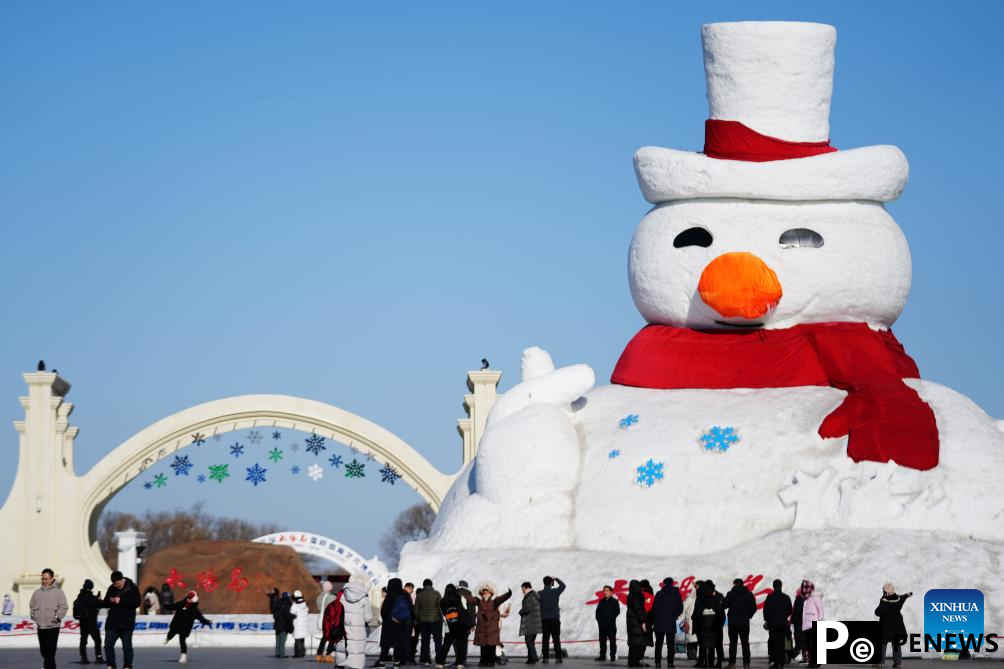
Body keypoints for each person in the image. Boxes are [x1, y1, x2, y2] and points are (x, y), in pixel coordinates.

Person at [30, 567, 68, 669]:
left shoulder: (58, 592)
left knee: (50, 650)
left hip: (53, 625)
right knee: (44, 650)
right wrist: (33, 615)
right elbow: (32, 605)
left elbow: (64, 606)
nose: (44, 581)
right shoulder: (37, 592)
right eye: (43, 579)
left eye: (46, 579)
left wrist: (58, 616)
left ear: (52, 579)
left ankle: (46, 667)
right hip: (40, 626)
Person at [102, 569, 140, 669]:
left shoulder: (132, 588)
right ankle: (111, 665)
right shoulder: (112, 588)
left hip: (126, 623)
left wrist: (121, 600)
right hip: (112, 623)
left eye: (117, 583)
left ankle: (127, 666)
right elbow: (105, 603)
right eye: (114, 583)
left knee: (127, 647)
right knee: (108, 645)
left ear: (122, 580)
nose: (116, 585)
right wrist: (109, 600)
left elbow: (136, 603)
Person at [334, 573, 373, 669]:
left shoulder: (342, 594)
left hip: (342, 629)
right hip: (357, 633)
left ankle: (340, 666)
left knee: (342, 652)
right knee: (356, 655)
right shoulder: (364, 598)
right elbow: (368, 618)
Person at [163, 590, 212, 664]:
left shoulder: (195, 610)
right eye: (188, 597)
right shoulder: (180, 604)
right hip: (176, 624)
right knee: (171, 633)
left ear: (194, 600)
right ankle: (168, 638)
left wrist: (207, 622)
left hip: (185, 628)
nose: (188, 599)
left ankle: (183, 656)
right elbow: (172, 606)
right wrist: (164, 605)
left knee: (182, 641)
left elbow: (201, 618)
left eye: (190, 598)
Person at [435, 582, 476, 669]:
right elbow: (461, 611)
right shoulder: (457, 599)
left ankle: (440, 662)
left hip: (449, 626)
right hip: (460, 626)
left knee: (446, 645)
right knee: (461, 646)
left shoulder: (442, 602)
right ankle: (460, 664)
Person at [473, 582, 512, 667]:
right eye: (484, 591)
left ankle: (491, 661)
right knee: (483, 646)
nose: (485, 592)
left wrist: (508, 594)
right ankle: (483, 661)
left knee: (491, 646)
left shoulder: (495, 601)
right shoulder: (479, 601)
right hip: (482, 628)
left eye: (487, 590)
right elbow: (470, 599)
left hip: (492, 628)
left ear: (491, 592)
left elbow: (502, 598)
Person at [874, 584, 911, 668]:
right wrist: (908, 595)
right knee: (896, 644)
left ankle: (879, 662)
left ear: (886, 592)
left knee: (882, 644)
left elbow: (877, 612)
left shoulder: (884, 601)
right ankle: (897, 663)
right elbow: (902, 597)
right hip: (898, 626)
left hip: (885, 626)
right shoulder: (898, 599)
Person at [382, 577, 416, 666]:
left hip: (389, 623)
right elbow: (411, 610)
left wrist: (386, 618)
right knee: (398, 644)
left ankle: (382, 662)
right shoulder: (405, 595)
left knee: (386, 643)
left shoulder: (389, 595)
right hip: (401, 623)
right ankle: (397, 662)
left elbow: (384, 610)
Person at [723, 579, 756, 669]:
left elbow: (724, 605)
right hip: (744, 622)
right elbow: (754, 607)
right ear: (742, 584)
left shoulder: (730, 594)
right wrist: (748, 615)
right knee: (745, 643)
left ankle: (732, 664)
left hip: (733, 622)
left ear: (734, 584)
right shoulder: (749, 594)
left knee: (733, 644)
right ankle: (746, 664)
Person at [652, 577, 683, 668]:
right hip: (671, 622)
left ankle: (658, 663)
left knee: (659, 644)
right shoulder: (677, 595)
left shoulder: (659, 594)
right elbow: (680, 608)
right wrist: (674, 615)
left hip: (659, 623)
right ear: (672, 583)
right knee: (670, 644)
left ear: (664, 583)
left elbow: (654, 608)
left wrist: (658, 616)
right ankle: (670, 663)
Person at [762, 580, 793, 669]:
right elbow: (790, 611)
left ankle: (776, 663)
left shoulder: (770, 597)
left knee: (774, 642)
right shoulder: (786, 597)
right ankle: (782, 662)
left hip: (773, 624)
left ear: (773, 586)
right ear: (781, 586)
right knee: (782, 643)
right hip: (783, 623)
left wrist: (768, 620)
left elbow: (766, 611)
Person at [73, 579, 104, 665]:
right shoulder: (92, 598)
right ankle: (98, 657)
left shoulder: (80, 597)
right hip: (91, 623)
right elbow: (101, 605)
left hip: (83, 622)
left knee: (83, 641)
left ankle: (83, 658)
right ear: (91, 587)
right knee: (97, 640)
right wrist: (99, 599)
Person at [416, 579, 444, 666]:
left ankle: (427, 659)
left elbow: (416, 610)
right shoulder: (436, 594)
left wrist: (419, 619)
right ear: (431, 585)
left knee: (425, 641)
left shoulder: (419, 595)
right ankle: (439, 659)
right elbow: (441, 607)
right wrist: (441, 618)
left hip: (424, 622)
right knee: (437, 641)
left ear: (423, 585)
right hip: (435, 621)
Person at [539, 576, 565, 664]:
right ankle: (558, 658)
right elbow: (563, 586)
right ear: (551, 583)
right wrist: (556, 578)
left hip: (544, 619)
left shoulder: (540, 593)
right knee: (556, 639)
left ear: (543, 583)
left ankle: (545, 658)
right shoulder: (555, 592)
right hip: (554, 619)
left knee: (545, 639)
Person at [799, 582, 824, 669]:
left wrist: (820, 620)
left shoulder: (814, 598)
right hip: (807, 625)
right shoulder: (807, 600)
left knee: (812, 644)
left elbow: (820, 609)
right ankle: (812, 661)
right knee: (809, 645)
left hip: (813, 624)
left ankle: (815, 661)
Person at [594, 585, 621, 662]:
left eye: (606, 590)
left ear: (611, 592)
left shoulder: (615, 601)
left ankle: (612, 656)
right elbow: (597, 612)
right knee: (602, 642)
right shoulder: (601, 601)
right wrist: (599, 620)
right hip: (602, 625)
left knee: (612, 641)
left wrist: (610, 619)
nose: (605, 592)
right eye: (604, 590)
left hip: (611, 625)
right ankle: (602, 656)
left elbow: (617, 612)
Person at [626, 580, 648, 667]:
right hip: (636, 623)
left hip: (631, 622)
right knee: (637, 643)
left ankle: (631, 661)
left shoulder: (630, 595)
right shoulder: (636, 596)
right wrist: (643, 621)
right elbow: (639, 610)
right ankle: (635, 662)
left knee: (633, 644)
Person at [519, 582, 542, 664]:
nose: (522, 591)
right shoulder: (534, 595)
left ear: (526, 587)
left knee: (529, 641)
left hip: (530, 623)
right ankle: (530, 659)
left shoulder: (530, 596)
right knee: (530, 641)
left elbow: (528, 608)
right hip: (534, 623)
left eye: (523, 589)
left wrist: (520, 611)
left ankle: (534, 657)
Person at [317, 581, 338, 661]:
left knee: (324, 637)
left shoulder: (319, 597)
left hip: (323, 619)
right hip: (331, 620)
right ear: (330, 588)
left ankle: (319, 654)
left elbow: (320, 608)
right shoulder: (332, 597)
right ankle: (328, 655)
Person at [273, 591, 295, 658]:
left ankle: (277, 653)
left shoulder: (277, 603)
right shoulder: (287, 604)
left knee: (278, 640)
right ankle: (282, 654)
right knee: (282, 640)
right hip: (284, 625)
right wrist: (294, 616)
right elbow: (287, 615)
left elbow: (274, 615)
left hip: (277, 625)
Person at [680, 582, 698, 663]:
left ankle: (692, 655)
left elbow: (682, 610)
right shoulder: (693, 599)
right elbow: (682, 610)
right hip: (693, 621)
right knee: (692, 639)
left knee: (692, 638)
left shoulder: (690, 599)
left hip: (692, 621)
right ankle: (692, 655)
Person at [404, 581, 419, 665]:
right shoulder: (408, 596)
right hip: (410, 622)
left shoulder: (411, 596)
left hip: (409, 622)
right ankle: (410, 658)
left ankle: (408, 658)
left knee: (409, 641)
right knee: (411, 641)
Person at [292, 590, 310, 658]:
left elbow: (292, 613)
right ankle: (302, 652)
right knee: (302, 639)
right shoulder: (305, 604)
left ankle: (298, 654)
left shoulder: (295, 604)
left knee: (297, 640)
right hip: (304, 624)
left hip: (297, 624)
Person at [790, 586, 806, 664]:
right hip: (801, 623)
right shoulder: (801, 599)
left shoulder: (799, 600)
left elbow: (795, 611)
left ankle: (794, 654)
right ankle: (804, 657)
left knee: (800, 640)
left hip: (799, 623)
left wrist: (793, 621)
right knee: (802, 640)